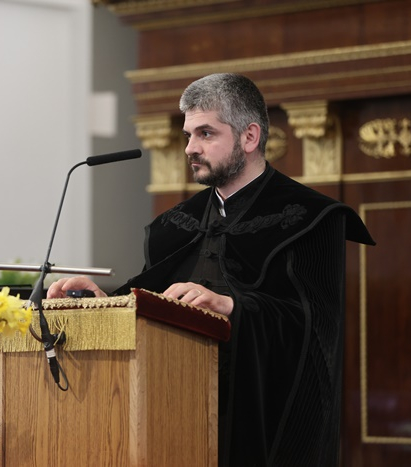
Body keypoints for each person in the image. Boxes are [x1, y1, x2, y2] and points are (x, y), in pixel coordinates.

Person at [47, 73, 374, 466]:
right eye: (188, 135)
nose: (190, 148)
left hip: (262, 420)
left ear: (249, 137)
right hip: (175, 418)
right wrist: (105, 305)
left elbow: (316, 329)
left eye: (205, 134)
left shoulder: (311, 218)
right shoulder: (173, 225)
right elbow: (151, 308)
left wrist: (230, 306)